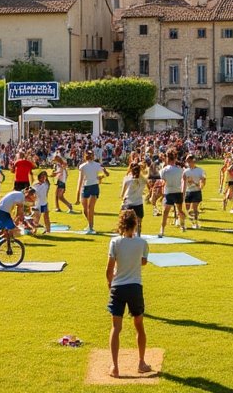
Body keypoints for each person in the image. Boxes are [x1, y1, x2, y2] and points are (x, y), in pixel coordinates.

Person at [105, 208, 151, 379]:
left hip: (118, 288)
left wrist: (110, 284)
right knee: (139, 326)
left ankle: (115, 367)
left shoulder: (115, 242)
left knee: (116, 328)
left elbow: (109, 269)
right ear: (135, 224)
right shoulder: (142, 243)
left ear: (121, 224)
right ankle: (141, 363)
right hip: (135, 288)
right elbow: (144, 262)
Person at [77, 150, 109, 235]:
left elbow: (106, 173)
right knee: (85, 209)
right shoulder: (82, 166)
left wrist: (101, 176)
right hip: (86, 187)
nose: (89, 156)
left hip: (94, 186)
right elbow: (80, 180)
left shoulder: (97, 165)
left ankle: (91, 227)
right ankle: (90, 224)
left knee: (90, 208)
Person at [158, 151, 185, 237]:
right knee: (179, 211)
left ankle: (162, 229)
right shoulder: (180, 170)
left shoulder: (164, 170)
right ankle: (182, 225)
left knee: (165, 212)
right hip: (177, 192)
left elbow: (163, 181)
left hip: (169, 192)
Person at [119, 163, 147, 236]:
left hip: (128, 203)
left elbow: (122, 194)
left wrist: (122, 200)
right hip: (138, 203)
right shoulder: (143, 180)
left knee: (125, 223)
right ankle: (138, 236)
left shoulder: (127, 179)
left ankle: (124, 237)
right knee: (138, 224)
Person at [182, 155, 206, 229]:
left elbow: (203, 180)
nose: (188, 163)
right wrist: (183, 193)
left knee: (195, 208)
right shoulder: (185, 171)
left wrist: (201, 186)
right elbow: (184, 183)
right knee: (187, 209)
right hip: (188, 192)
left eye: (189, 161)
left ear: (193, 161)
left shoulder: (200, 170)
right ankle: (188, 223)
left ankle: (196, 223)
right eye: (187, 161)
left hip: (196, 191)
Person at [31, 170, 52, 235]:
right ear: (39, 177)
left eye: (44, 177)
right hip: (37, 204)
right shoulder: (35, 185)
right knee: (36, 218)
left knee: (46, 217)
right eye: (42, 177)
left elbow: (46, 193)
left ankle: (48, 230)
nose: (43, 178)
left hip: (44, 203)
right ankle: (34, 230)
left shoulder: (46, 184)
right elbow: (32, 195)